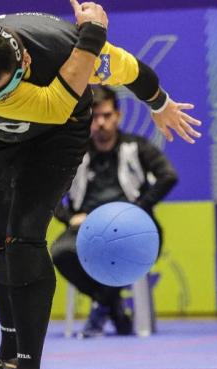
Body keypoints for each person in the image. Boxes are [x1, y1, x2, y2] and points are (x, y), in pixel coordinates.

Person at [0, 1, 201, 369]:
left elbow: (130, 74)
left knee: (25, 235)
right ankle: (7, 355)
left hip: (57, 135)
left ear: (26, 60)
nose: (3, 96)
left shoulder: (67, 50)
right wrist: (92, 36)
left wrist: (160, 102)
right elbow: (45, 101)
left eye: (10, 88)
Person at [51, 86, 178, 338]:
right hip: (88, 228)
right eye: (95, 116)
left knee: (124, 252)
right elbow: (48, 192)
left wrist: (138, 209)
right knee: (60, 252)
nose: (100, 122)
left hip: (133, 227)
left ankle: (102, 310)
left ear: (117, 115)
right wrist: (68, 217)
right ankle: (112, 306)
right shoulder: (75, 153)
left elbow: (168, 176)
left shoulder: (137, 146)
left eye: (106, 115)